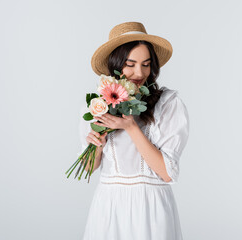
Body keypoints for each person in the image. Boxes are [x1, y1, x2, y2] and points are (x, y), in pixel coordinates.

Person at [79, 22, 189, 240]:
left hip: (152, 208)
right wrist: (97, 145)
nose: (140, 73)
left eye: (146, 64)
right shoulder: (97, 106)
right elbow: (89, 168)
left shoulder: (168, 103)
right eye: (130, 64)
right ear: (115, 65)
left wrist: (130, 126)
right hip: (109, 207)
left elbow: (167, 173)